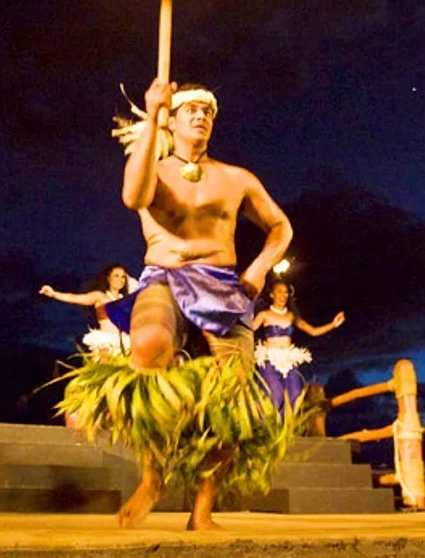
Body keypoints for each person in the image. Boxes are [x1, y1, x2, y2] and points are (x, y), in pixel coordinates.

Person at [61, 79, 295, 531]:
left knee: (235, 400)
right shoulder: (152, 169)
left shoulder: (237, 178)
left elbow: (281, 227)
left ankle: (202, 510)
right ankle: (153, 478)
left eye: (208, 110)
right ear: (172, 117)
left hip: (226, 286)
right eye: (191, 109)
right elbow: (133, 197)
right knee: (148, 345)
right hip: (163, 279)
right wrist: (151, 114)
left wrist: (260, 268)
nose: (202, 115)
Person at [253, 279, 345, 415]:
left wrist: (333, 325)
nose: (283, 295)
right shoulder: (264, 315)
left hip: (289, 358)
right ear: (272, 295)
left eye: (286, 293)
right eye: (279, 292)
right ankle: (267, 426)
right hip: (270, 358)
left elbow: (313, 331)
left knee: (295, 394)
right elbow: (249, 330)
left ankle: (286, 427)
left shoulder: (291, 316)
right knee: (276, 394)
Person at [39, 265, 131, 356]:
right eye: (116, 276)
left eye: (123, 277)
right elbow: (75, 298)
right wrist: (54, 294)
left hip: (124, 344)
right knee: (103, 369)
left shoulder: (127, 301)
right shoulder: (99, 296)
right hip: (105, 343)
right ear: (108, 278)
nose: (120, 279)